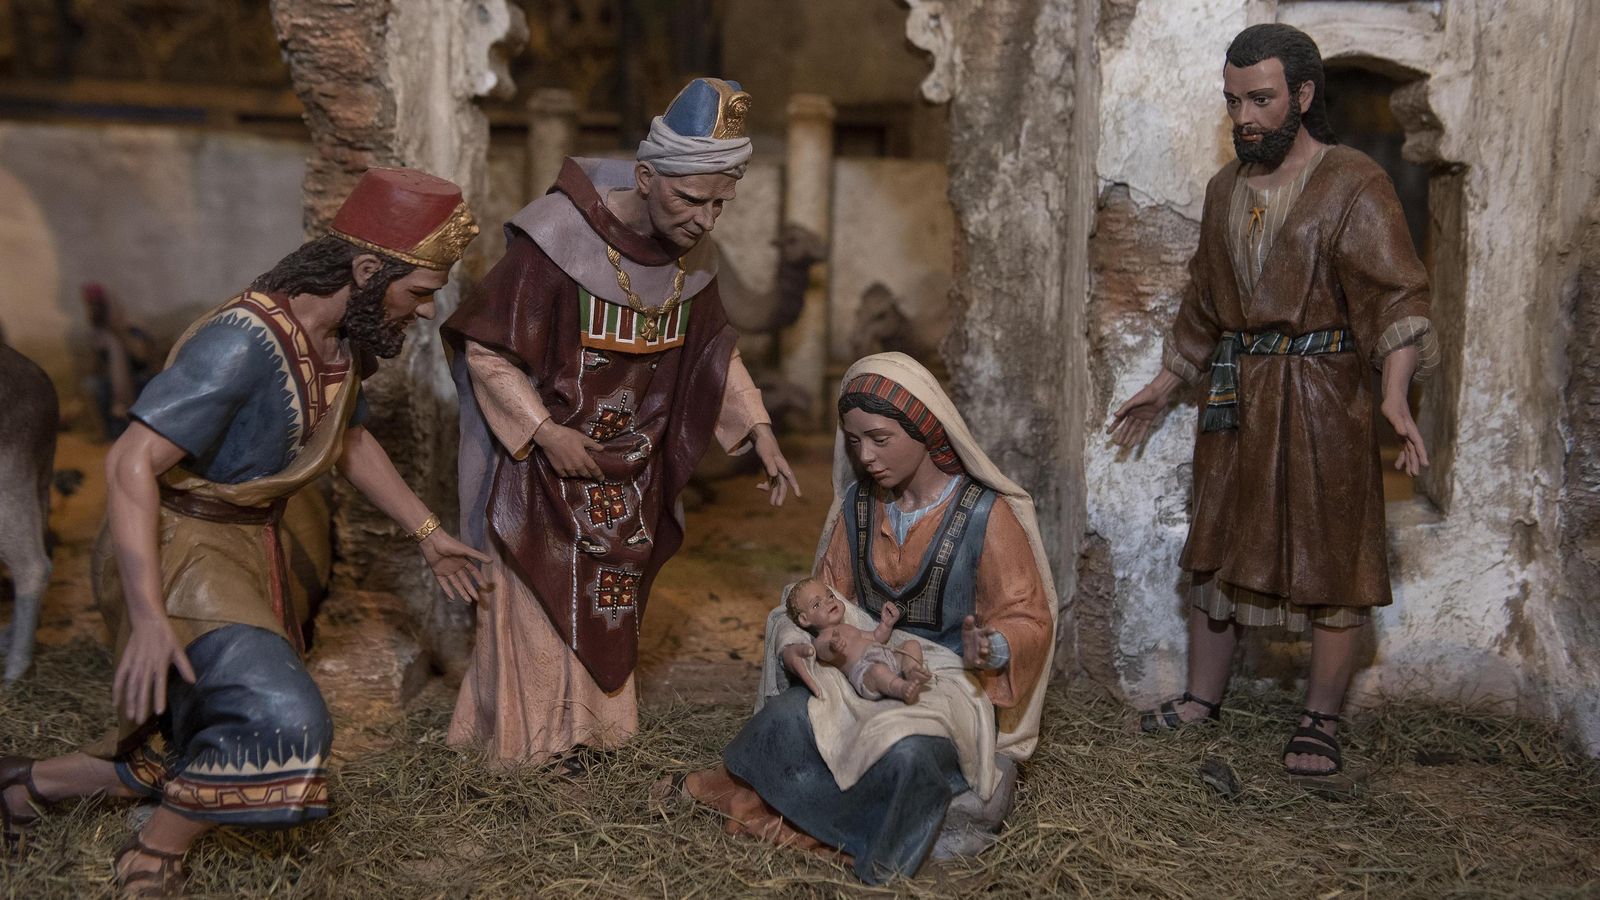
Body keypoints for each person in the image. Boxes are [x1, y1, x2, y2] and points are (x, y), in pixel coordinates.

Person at [0, 167, 489, 895]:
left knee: (208, 720)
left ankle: (31, 787)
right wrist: (147, 613)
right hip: (181, 549)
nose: (422, 312)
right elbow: (131, 460)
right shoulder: (242, 343)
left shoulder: (338, 343)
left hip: (249, 549)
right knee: (286, 722)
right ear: (363, 270)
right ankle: (156, 848)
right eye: (418, 292)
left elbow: (346, 440)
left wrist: (425, 530)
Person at [1108, 24, 1439, 785]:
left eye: (1260, 98)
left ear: (1303, 95)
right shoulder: (1225, 187)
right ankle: (1201, 699)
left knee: (1332, 554)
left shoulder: (1354, 182)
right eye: (1233, 101)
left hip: (1326, 400)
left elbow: (1397, 297)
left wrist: (1393, 393)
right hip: (1236, 398)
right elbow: (1204, 300)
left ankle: (1321, 717)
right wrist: (1165, 384)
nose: (1244, 117)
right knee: (1218, 542)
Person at [442, 77, 800, 768]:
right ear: (644, 175)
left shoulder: (691, 254)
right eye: (692, 199)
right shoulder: (551, 244)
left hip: (625, 474)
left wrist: (757, 426)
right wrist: (545, 432)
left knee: (610, 605)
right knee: (540, 610)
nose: (706, 220)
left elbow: (712, 352)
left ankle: (597, 739)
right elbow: (487, 349)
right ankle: (530, 749)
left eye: (722, 203)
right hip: (541, 474)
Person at [684, 352, 1055, 884]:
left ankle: (875, 846)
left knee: (904, 753)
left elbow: (1028, 615)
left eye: (880, 439)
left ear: (926, 430)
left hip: (943, 683)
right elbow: (819, 596)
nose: (866, 455)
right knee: (789, 717)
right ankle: (795, 809)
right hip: (856, 665)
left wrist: (994, 647)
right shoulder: (859, 508)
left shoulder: (984, 515)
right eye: (855, 442)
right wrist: (794, 636)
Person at [785, 578, 930, 704]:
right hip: (865, 671)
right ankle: (902, 688)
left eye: (830, 596)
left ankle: (912, 671)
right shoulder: (822, 640)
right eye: (817, 604)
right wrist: (833, 647)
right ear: (805, 619)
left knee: (912, 645)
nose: (828, 602)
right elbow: (823, 653)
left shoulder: (848, 628)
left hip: (885, 656)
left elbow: (876, 637)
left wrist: (886, 624)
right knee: (879, 672)